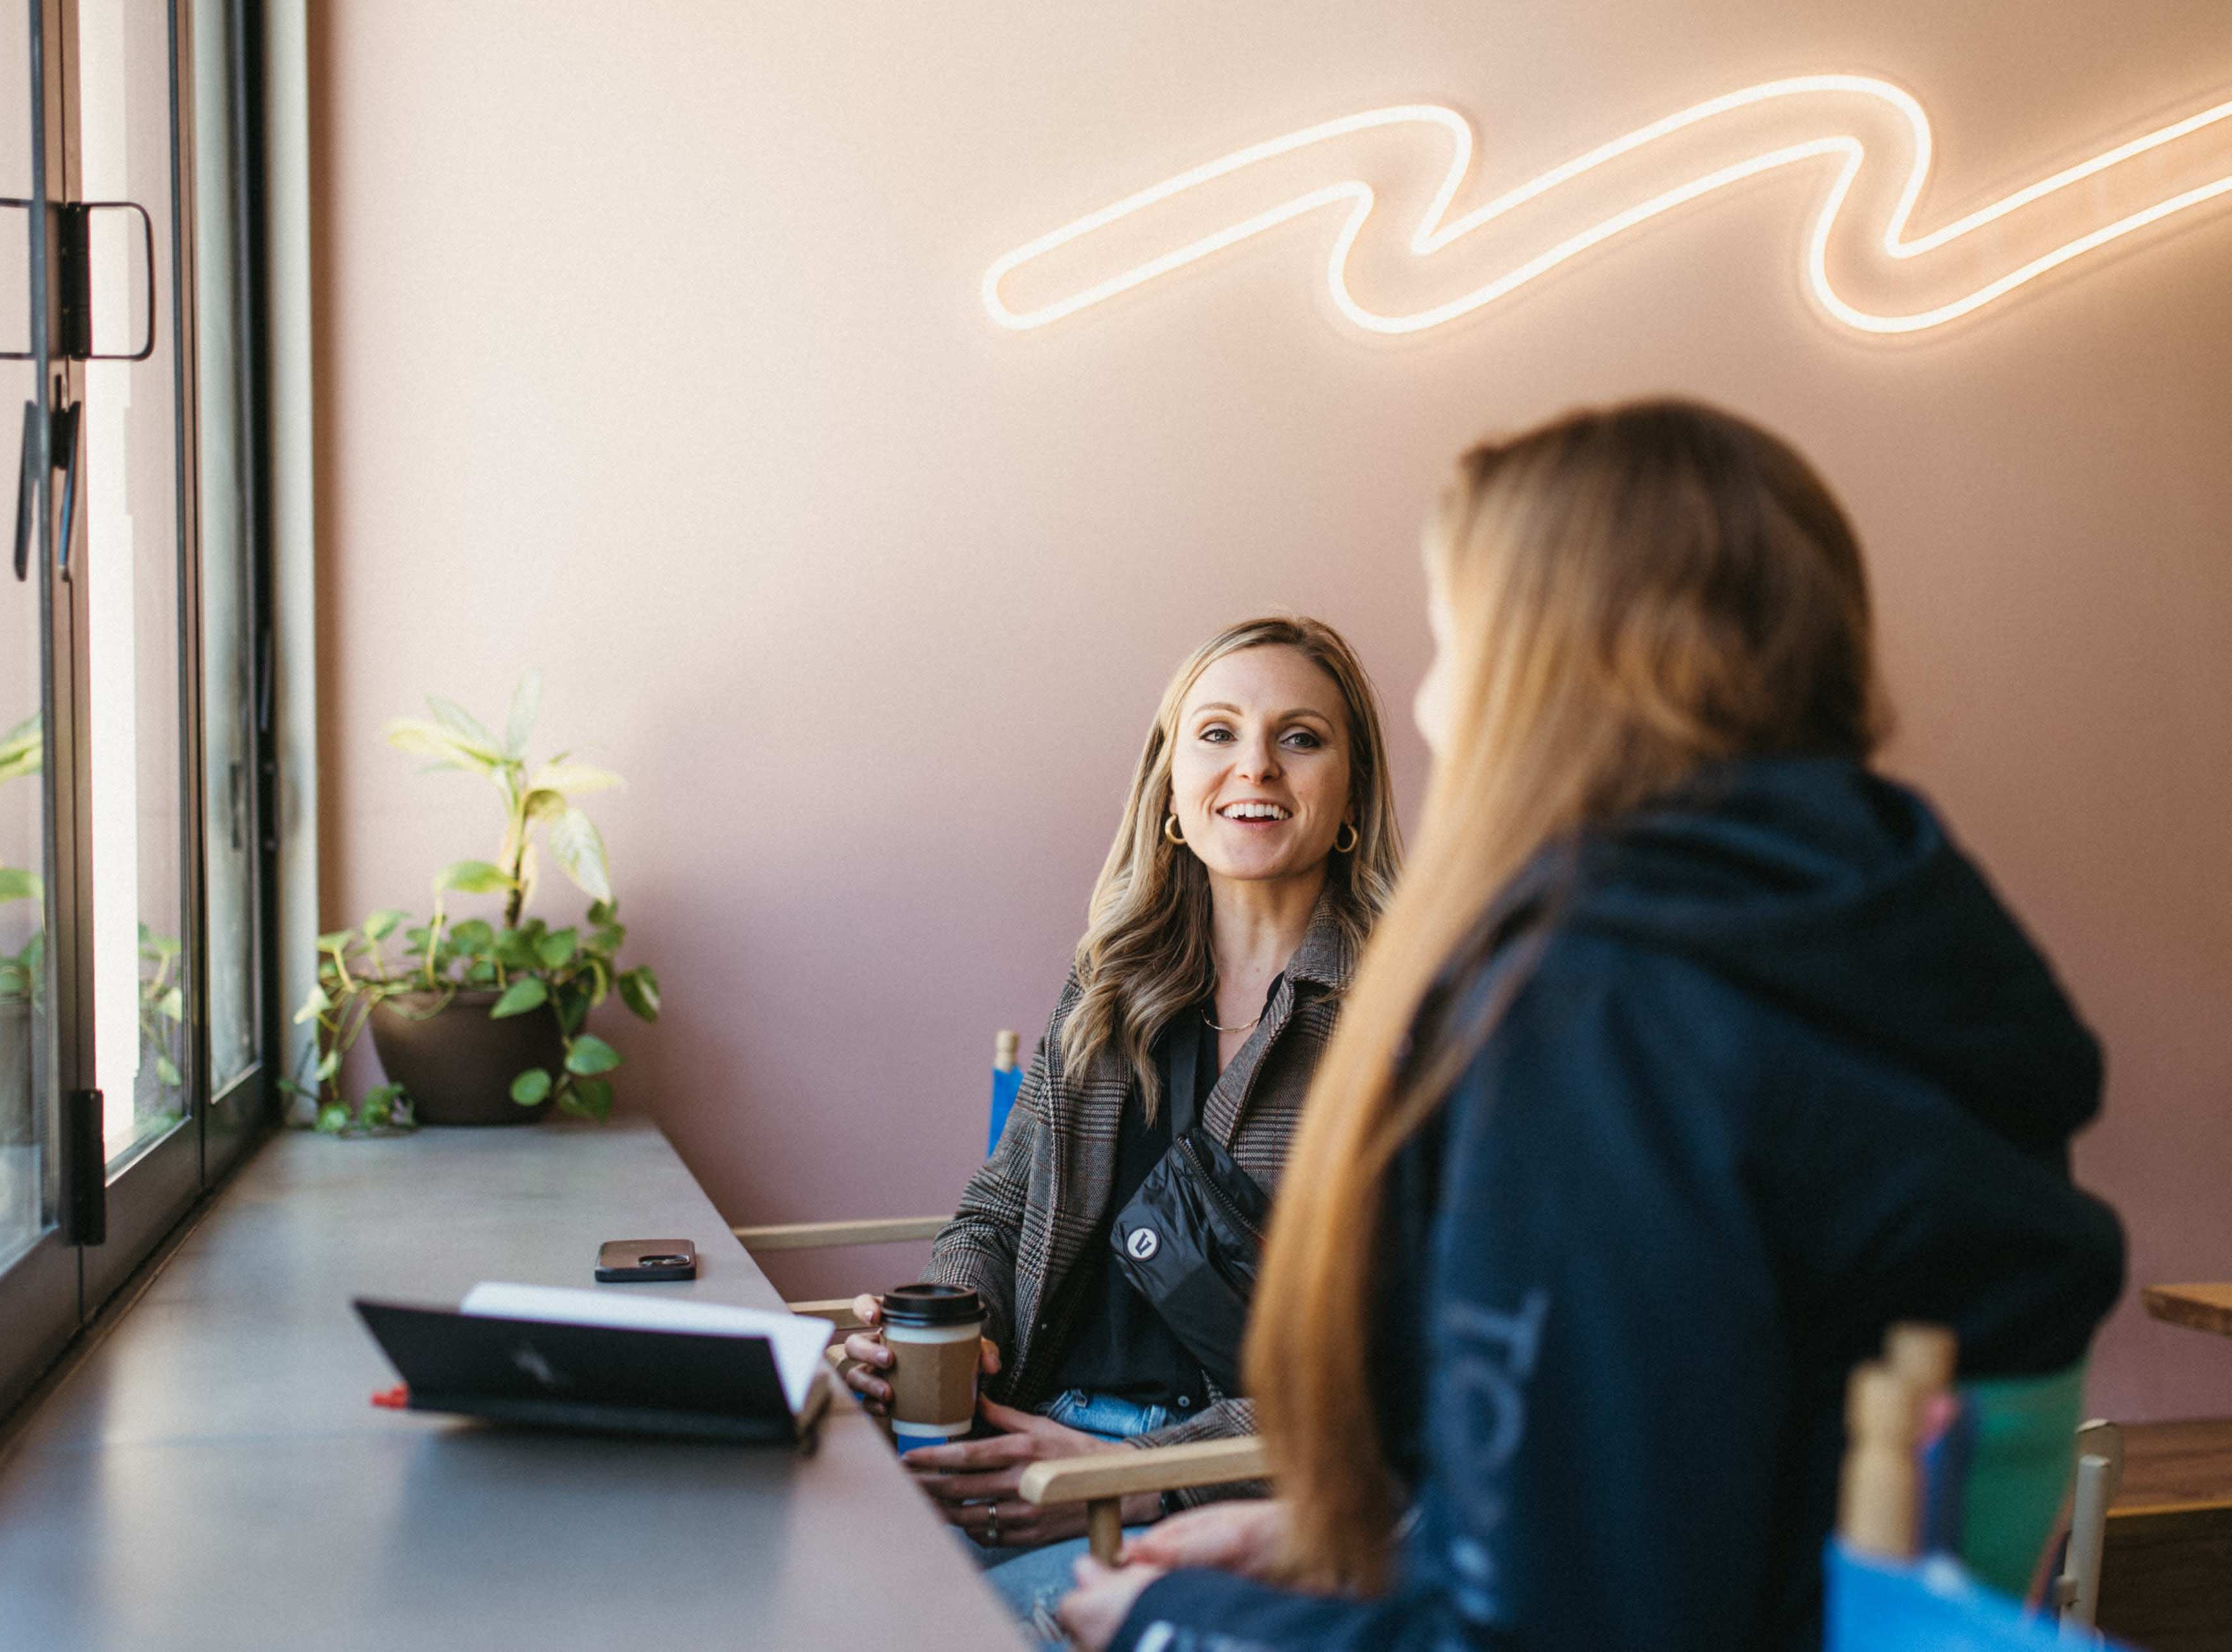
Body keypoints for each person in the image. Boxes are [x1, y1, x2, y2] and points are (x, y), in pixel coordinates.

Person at [1057, 401, 2125, 1651]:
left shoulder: (1600, 1014)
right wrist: (1376, 1532)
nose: (1437, 707)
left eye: (1458, 649)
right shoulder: (1885, 933)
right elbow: (1693, 1488)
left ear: (1551, 668)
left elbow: (1574, 1631)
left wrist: (1173, 1623)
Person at [841, 615, 1403, 1643]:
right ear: (1172, 785)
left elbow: (1392, 1363)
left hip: (1229, 1490)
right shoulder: (1107, 986)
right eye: (1218, 732)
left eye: (1302, 737)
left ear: (1354, 792)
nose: (1257, 767)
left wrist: (1141, 1478)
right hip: (1017, 1447)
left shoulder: (1405, 1020)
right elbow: (999, 1207)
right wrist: (950, 1330)